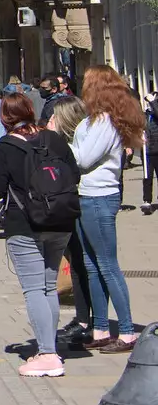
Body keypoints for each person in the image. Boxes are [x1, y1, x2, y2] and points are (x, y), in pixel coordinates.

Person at [0, 93, 79, 377]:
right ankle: (49, 348)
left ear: (4, 118)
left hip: (25, 225)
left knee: (35, 289)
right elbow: (74, 174)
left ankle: (48, 354)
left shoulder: (5, 147)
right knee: (49, 287)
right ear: (30, 111)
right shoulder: (54, 140)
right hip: (61, 221)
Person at [66, 68, 147, 354]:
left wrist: (62, 148)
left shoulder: (105, 123)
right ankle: (100, 327)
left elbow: (84, 158)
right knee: (90, 266)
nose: (82, 86)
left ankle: (126, 332)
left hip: (99, 198)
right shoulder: (92, 121)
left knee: (107, 265)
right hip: (85, 196)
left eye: (86, 82)